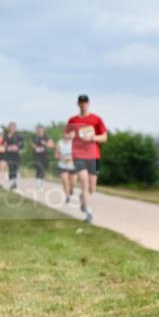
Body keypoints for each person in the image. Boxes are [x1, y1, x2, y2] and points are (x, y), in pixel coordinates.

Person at [65, 94, 107, 223]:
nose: (83, 104)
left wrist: (92, 138)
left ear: (88, 103)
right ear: (78, 104)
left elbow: (104, 137)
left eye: (85, 102)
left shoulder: (96, 119)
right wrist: (70, 135)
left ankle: (83, 199)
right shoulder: (72, 120)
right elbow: (66, 135)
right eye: (81, 102)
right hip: (78, 155)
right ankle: (89, 213)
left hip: (93, 155)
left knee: (91, 188)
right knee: (84, 181)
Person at [55, 130, 76, 203]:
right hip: (62, 165)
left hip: (73, 166)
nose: (67, 135)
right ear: (63, 134)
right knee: (64, 179)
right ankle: (67, 196)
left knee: (73, 182)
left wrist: (72, 158)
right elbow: (56, 155)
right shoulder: (59, 143)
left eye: (68, 133)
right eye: (65, 133)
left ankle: (72, 189)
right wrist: (62, 157)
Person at [3, 122, 24, 190]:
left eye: (13, 127)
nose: (12, 129)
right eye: (11, 127)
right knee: (11, 167)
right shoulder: (6, 136)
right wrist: (8, 147)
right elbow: (4, 144)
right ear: (9, 128)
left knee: (16, 168)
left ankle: (15, 182)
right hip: (9, 154)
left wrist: (17, 147)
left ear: (15, 128)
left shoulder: (18, 135)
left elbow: (22, 144)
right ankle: (12, 183)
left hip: (16, 154)